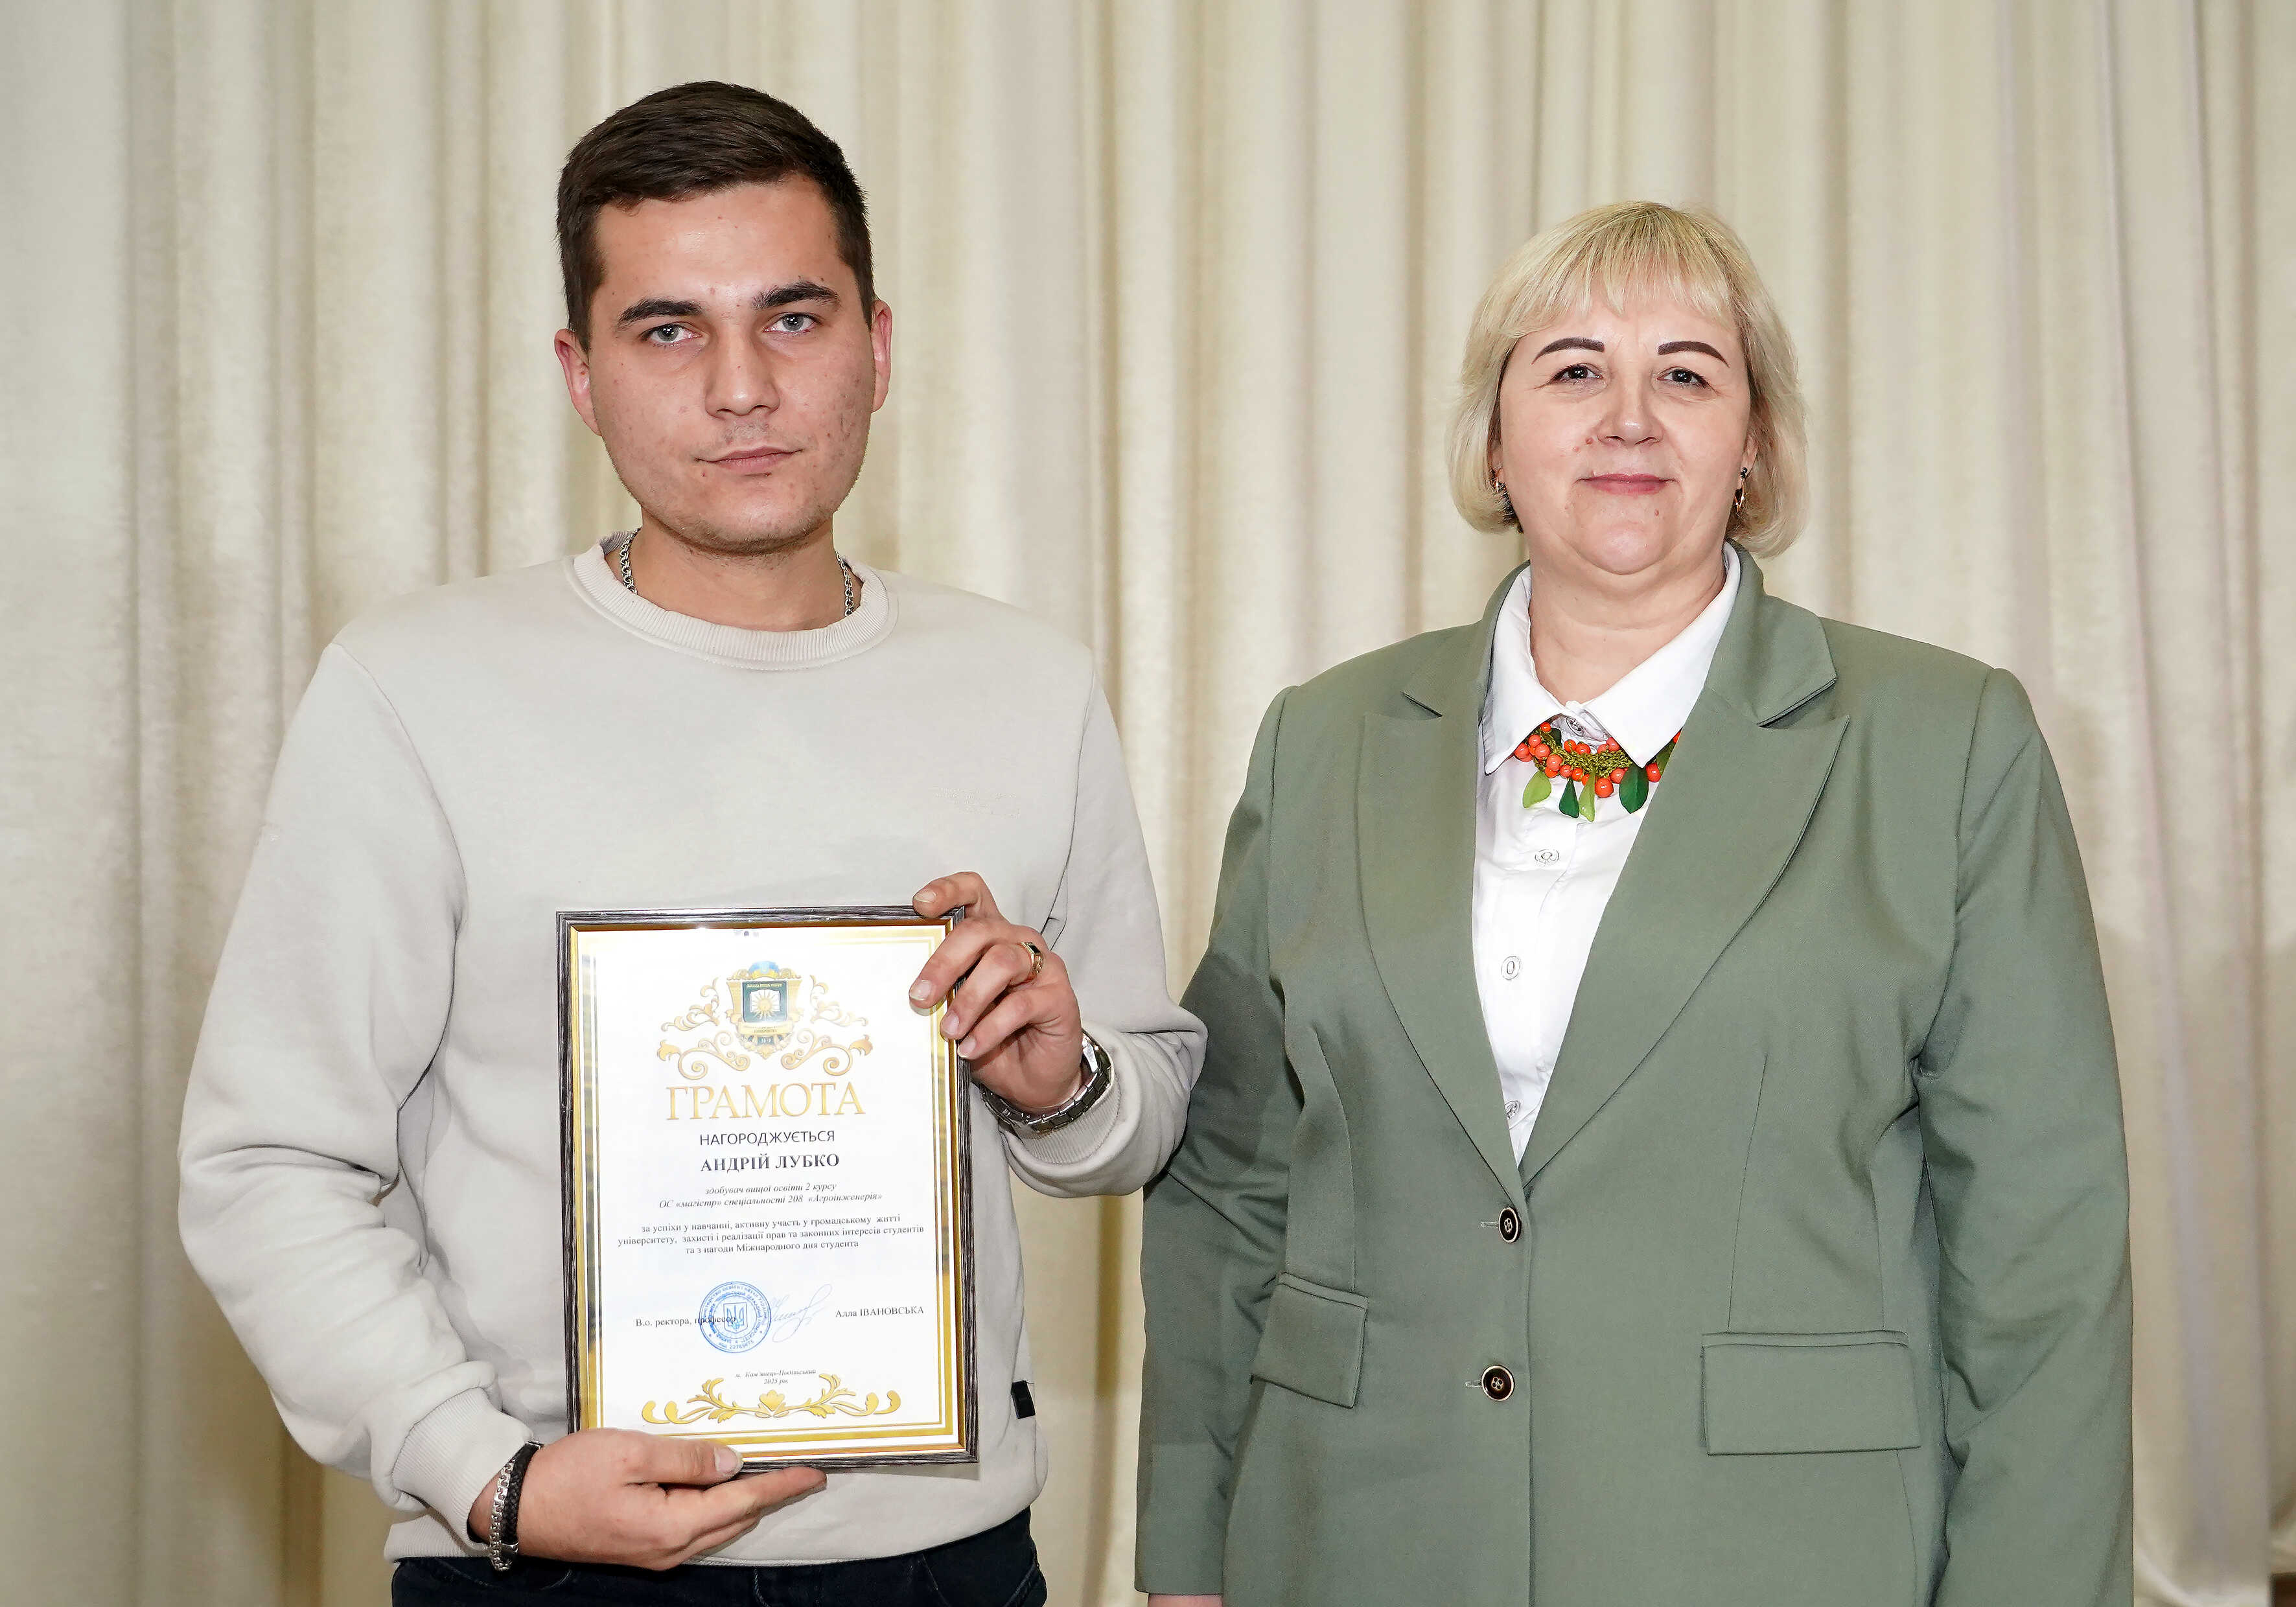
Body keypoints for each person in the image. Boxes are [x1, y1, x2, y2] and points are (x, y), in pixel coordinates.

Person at [178, 80, 1203, 1606]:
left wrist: (1063, 1083)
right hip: (537, 1558)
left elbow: (1145, 1103)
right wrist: (486, 1471)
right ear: (580, 376)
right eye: (667, 330)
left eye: (792, 318)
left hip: (939, 1566)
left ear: (877, 346)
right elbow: (270, 1157)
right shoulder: (415, 689)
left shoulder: (1026, 684)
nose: (740, 387)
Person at [1135, 202, 2131, 1606]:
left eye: (1685, 372)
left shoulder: (1944, 742)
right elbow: (1231, 1185)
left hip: (1781, 1554)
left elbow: (2044, 1250)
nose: (1627, 418)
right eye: (1571, 369)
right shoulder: (1323, 739)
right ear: (1494, 441)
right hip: (1360, 1539)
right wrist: (1186, 1548)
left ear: (1754, 442)